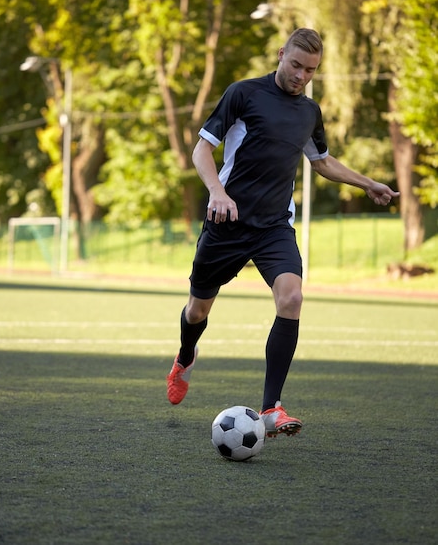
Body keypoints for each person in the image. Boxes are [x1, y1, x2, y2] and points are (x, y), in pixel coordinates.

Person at [166, 28, 399, 438]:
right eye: (296, 65)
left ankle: (271, 408)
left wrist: (368, 184)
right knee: (197, 311)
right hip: (227, 223)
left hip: (274, 225)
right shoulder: (243, 94)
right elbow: (202, 149)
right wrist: (217, 193)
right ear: (280, 54)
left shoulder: (309, 112)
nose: (301, 76)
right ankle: (185, 356)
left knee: (291, 297)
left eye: (311, 70)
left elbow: (322, 162)